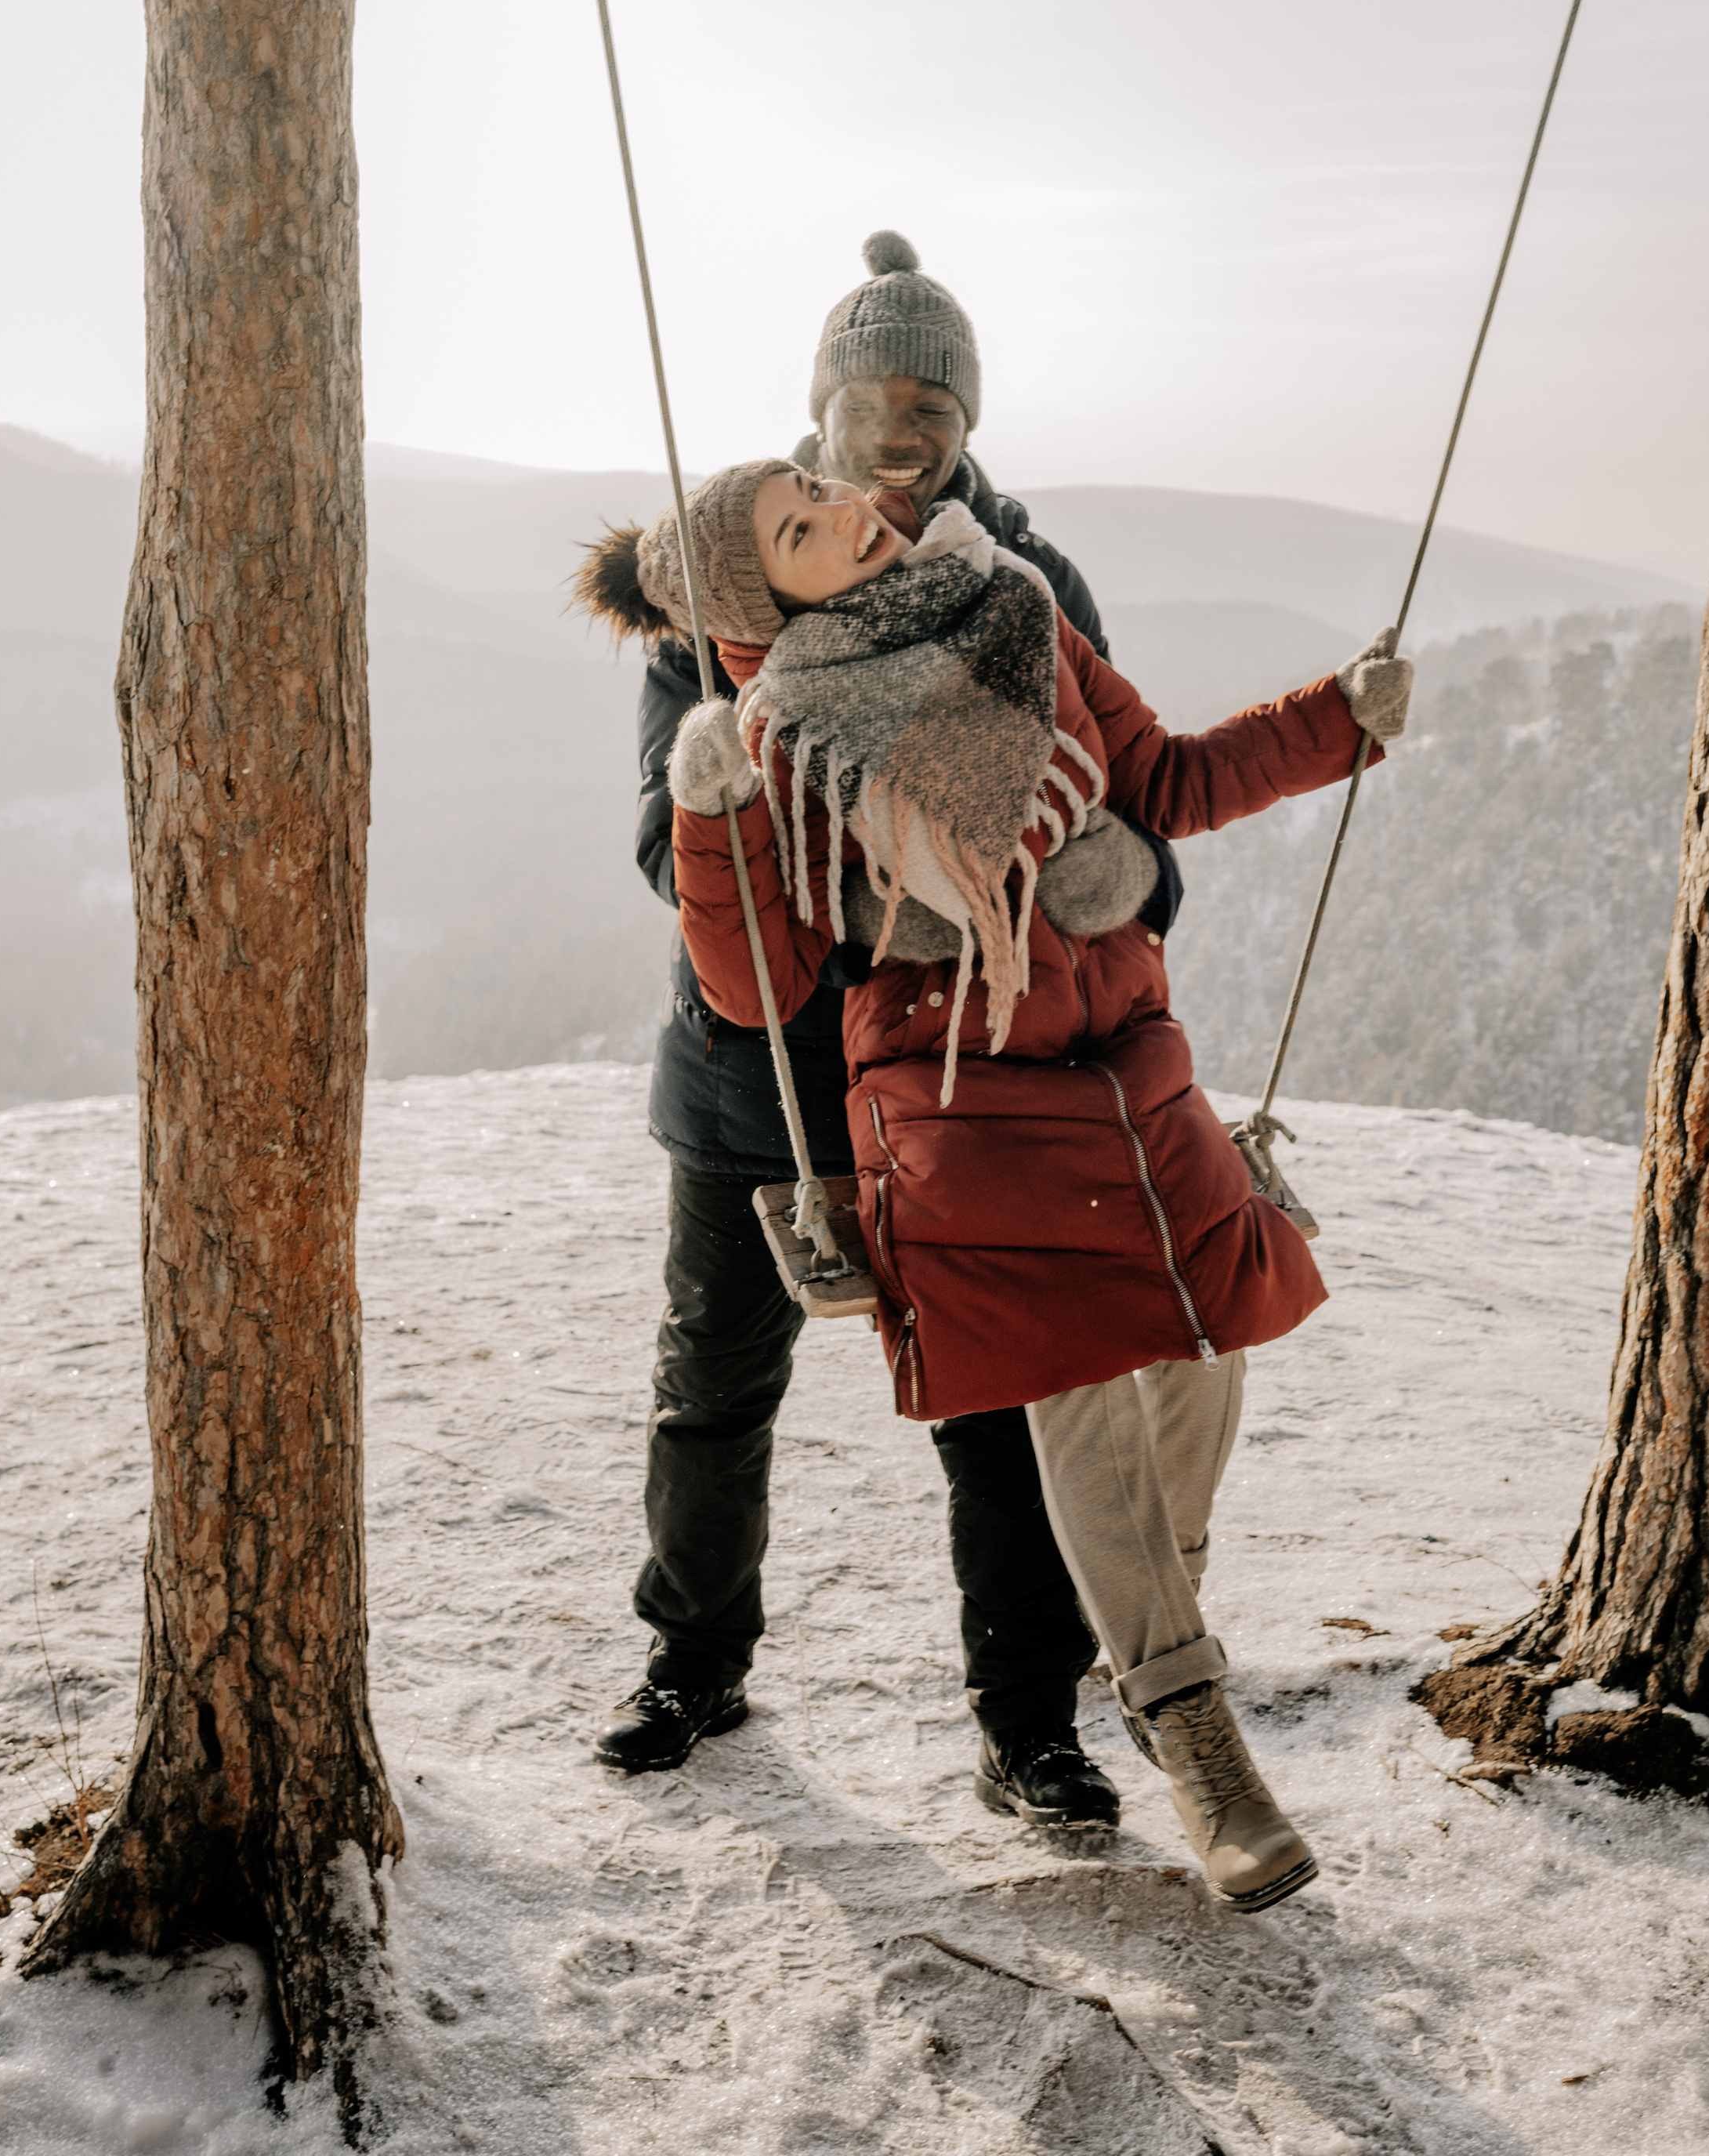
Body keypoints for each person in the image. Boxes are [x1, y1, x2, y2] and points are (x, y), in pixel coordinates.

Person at [581, 455, 1413, 1911]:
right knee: (1082, 1375)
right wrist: (712, 814)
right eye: (796, 528)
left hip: (1124, 1041)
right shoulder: (776, 726)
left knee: (1210, 1346)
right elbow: (761, 981)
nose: (839, 506)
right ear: (770, 596)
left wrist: (1331, 723)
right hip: (957, 1084)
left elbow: (1163, 779)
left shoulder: (1013, 601)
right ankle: (1190, 1726)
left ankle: (1151, 1605)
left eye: (812, 489)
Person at [595, 234, 1177, 1835]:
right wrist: (747, 794)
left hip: (955, 1068)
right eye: (874, 396)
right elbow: (665, 843)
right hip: (757, 1069)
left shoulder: (1025, 589)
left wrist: (1131, 876)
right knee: (715, 1377)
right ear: (824, 406)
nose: (900, 429)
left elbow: (1111, 790)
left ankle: (1029, 1726)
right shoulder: (721, 575)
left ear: (966, 415)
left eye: (933, 399)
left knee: (997, 1399)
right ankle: (691, 1668)